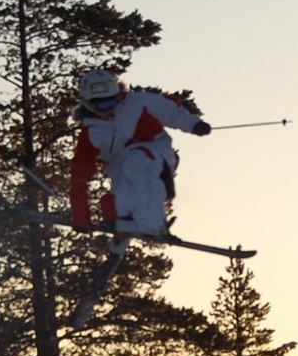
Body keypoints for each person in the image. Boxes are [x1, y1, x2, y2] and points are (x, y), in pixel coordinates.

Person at [69, 69, 212, 235]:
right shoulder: (92, 132)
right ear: (88, 104)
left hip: (155, 153)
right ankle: (122, 225)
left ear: (118, 95)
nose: (108, 109)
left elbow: (171, 110)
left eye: (112, 102)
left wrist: (193, 124)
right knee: (119, 200)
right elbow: (80, 174)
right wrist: (80, 215)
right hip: (121, 166)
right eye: (101, 105)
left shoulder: (138, 103)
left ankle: (153, 223)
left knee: (139, 161)